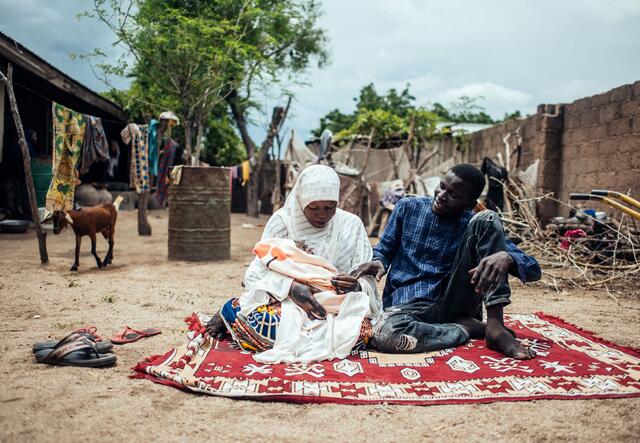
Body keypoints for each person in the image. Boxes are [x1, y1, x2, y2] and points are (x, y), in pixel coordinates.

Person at [354, 163, 541, 359]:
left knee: (487, 218)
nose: (442, 195)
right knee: (386, 335)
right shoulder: (407, 208)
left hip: (454, 301)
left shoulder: (473, 225)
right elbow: (384, 249)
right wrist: (379, 261)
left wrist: (508, 257)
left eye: (453, 195)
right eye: (442, 186)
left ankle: (496, 327)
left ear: (469, 204)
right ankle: (465, 328)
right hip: (408, 305)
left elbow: (533, 270)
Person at [206, 165, 381, 363]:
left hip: (335, 307)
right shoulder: (283, 221)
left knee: (362, 332)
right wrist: (291, 287)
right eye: (314, 208)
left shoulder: (352, 224)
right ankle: (231, 310)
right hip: (287, 304)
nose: (322, 215)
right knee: (269, 326)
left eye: (330, 207)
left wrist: (357, 286)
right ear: (300, 200)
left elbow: (365, 276)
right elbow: (256, 273)